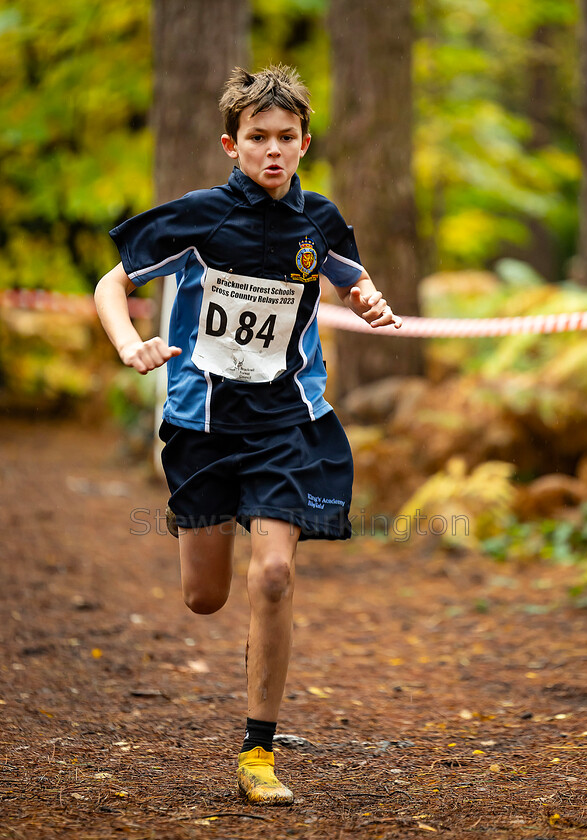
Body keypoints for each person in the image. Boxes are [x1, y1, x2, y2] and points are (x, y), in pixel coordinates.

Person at [94, 65, 401, 806]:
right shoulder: (198, 216)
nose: (272, 151)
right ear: (231, 144)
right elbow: (112, 284)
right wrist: (127, 344)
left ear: (303, 142)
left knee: (274, 575)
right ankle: (241, 601)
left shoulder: (318, 219)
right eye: (257, 138)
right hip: (203, 423)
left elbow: (349, 278)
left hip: (288, 423)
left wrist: (366, 297)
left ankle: (257, 754)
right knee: (206, 597)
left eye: (286, 138)